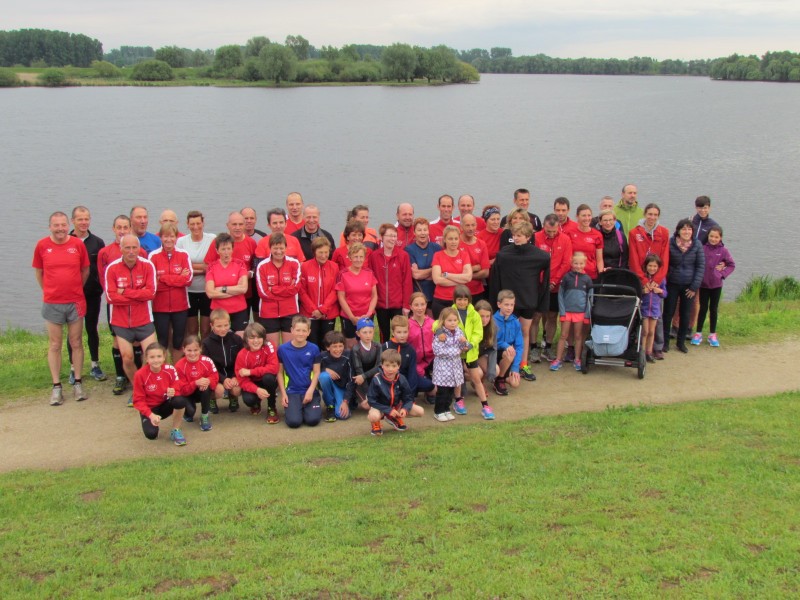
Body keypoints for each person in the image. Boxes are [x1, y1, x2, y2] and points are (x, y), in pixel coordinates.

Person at [33, 211, 90, 405]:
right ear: (50, 226)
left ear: (68, 225)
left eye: (63, 225)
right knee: (55, 344)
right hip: (52, 302)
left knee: (76, 342)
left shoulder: (77, 245)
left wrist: (75, 289)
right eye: (56, 225)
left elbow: (85, 270)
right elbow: (39, 272)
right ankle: (57, 386)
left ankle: (78, 383)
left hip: (75, 301)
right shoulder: (42, 246)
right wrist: (50, 291)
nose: (60, 229)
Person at [489, 221, 551, 382]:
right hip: (509, 303)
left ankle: (523, 364)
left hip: (528, 301)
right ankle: (503, 365)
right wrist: (496, 300)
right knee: (503, 334)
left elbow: (545, 281)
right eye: (514, 235)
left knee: (524, 333)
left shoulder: (541, 256)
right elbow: (495, 279)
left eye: (519, 236)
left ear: (529, 237)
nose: (515, 238)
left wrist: (542, 301)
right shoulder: (504, 255)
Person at [104, 234, 157, 407]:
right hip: (121, 321)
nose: (131, 251)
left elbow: (150, 293)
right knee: (127, 357)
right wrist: (137, 294)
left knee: (150, 357)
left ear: (139, 249)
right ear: (121, 249)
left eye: (135, 248)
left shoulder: (148, 265)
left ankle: (148, 387)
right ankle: (137, 389)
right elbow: (111, 297)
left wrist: (125, 292)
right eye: (127, 248)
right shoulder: (112, 268)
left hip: (143, 319)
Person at [97, 215, 148, 394]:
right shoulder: (105, 252)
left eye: (125, 227)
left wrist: (125, 293)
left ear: (130, 228)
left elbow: (146, 289)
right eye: (119, 227)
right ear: (113, 229)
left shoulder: (141, 254)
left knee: (137, 344)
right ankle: (121, 376)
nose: (122, 230)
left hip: (138, 309)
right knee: (118, 342)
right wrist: (119, 296)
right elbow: (106, 285)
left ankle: (139, 381)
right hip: (116, 308)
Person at [68, 205, 106, 383]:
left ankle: (95, 364)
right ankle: (73, 367)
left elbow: (102, 268)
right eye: (80, 219)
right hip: (71, 295)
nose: (83, 222)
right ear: (72, 221)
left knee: (91, 329)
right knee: (73, 333)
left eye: (86, 219)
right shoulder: (66, 241)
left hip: (92, 294)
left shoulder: (97, 243)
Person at [628, 203, 670, 359]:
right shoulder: (634, 233)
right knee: (640, 314)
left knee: (656, 315)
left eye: (655, 215)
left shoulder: (663, 232)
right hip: (641, 277)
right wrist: (644, 279)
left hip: (657, 278)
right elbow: (633, 258)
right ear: (644, 214)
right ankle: (636, 346)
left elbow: (665, 258)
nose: (652, 217)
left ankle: (656, 348)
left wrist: (657, 280)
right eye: (650, 214)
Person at [446, 286, 493, 419]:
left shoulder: (474, 314)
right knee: (457, 378)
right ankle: (458, 401)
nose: (462, 302)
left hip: (471, 352)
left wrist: (470, 344)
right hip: (456, 352)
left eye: (465, 299)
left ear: (469, 300)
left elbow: (478, 333)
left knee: (476, 379)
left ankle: (485, 406)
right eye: (459, 299)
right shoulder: (450, 312)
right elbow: (439, 325)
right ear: (455, 300)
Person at [149, 223, 192, 363]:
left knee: (179, 340)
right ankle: (162, 368)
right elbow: (153, 284)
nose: (168, 240)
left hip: (180, 306)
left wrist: (163, 278)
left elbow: (188, 279)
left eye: (171, 236)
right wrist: (177, 277)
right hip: (160, 306)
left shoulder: (183, 254)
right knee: (162, 339)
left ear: (176, 238)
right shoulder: (153, 256)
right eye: (165, 236)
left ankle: (177, 370)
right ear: (160, 237)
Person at [532, 214, 573, 363]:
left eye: (554, 231)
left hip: (555, 285)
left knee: (551, 316)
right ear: (543, 226)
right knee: (535, 316)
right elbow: (534, 261)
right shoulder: (536, 237)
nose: (551, 234)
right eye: (548, 231)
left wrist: (554, 281)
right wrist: (542, 281)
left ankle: (548, 346)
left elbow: (566, 263)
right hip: (538, 284)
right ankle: (533, 347)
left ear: (558, 227)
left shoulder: (565, 239)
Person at [133, 343, 190, 446]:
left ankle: (176, 430)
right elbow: (138, 400)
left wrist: (173, 391)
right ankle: (152, 421)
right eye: (152, 357)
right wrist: (150, 415)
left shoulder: (170, 369)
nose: (156, 360)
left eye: (159, 356)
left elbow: (177, 387)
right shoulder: (140, 374)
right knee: (151, 435)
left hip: (165, 404)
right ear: (146, 358)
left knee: (180, 401)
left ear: (164, 357)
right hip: (150, 409)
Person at [205, 212, 258, 321]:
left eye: (240, 224)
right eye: (234, 224)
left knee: (241, 332)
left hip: (245, 295)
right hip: (220, 298)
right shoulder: (218, 242)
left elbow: (256, 265)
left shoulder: (251, 243)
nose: (237, 228)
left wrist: (249, 274)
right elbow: (209, 265)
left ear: (244, 225)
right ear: (227, 225)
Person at [663, 219, 705, 354]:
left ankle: (681, 343)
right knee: (668, 313)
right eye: (684, 229)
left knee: (685, 313)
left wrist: (694, 287)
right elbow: (665, 262)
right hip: (672, 283)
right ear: (678, 230)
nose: (686, 232)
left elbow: (700, 266)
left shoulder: (697, 245)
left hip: (689, 285)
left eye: (689, 229)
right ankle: (665, 342)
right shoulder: (670, 243)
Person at [255, 232, 301, 348]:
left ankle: (287, 367)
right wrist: (286, 290)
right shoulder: (262, 266)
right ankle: (275, 367)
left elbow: (295, 289)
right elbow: (263, 293)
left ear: (286, 248)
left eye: (281, 248)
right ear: (270, 248)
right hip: (269, 313)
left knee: (289, 348)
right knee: (272, 349)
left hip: (290, 311)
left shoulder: (294, 263)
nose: (279, 251)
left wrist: (273, 289)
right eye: (275, 248)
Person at [368, 223, 413, 342]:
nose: (392, 239)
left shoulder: (403, 256)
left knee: (398, 335)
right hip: (380, 304)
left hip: (397, 304)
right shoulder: (374, 256)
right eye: (389, 236)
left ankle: (397, 357)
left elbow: (407, 281)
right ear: (382, 237)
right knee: (384, 334)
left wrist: (406, 305)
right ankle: (384, 357)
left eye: (394, 236)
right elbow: (371, 280)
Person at [549, 253, 593, 372]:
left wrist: (587, 315)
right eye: (575, 263)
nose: (578, 266)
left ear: (585, 264)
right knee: (563, 335)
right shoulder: (567, 277)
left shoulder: (588, 279)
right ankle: (558, 359)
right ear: (571, 263)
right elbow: (560, 295)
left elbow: (590, 298)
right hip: (567, 312)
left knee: (578, 336)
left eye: (581, 263)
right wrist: (562, 312)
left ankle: (577, 359)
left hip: (580, 313)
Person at [277, 316, 323, 428]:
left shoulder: (314, 349)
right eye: (298, 330)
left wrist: (311, 391)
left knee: (313, 421)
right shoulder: (282, 349)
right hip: (292, 391)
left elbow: (317, 372)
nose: (300, 333)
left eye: (304, 331)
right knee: (294, 422)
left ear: (309, 332)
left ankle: (311, 405)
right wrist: (283, 394)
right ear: (292, 330)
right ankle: (296, 408)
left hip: (309, 391)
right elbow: (279, 373)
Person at [176, 210, 215, 339]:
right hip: (188, 291)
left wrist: (191, 268)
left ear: (203, 223)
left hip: (206, 290)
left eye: (198, 223)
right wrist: (203, 268)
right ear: (187, 224)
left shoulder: (212, 239)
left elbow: (213, 266)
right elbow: (181, 266)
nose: (195, 227)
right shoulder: (181, 242)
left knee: (205, 329)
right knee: (191, 329)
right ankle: (192, 354)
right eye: (192, 224)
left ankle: (204, 355)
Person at [367, 348, 424, 436]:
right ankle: (376, 423)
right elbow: (371, 401)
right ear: (382, 365)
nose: (390, 369)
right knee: (374, 416)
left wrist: (405, 409)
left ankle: (394, 418)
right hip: (380, 408)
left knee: (420, 411)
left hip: (395, 407)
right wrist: (388, 410)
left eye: (394, 366)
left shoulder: (402, 379)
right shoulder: (376, 380)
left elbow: (409, 398)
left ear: (398, 366)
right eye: (387, 365)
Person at [694, 226, 735, 348]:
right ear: (708, 236)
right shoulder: (702, 248)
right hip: (704, 284)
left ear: (720, 238)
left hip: (716, 285)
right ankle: (698, 333)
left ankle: (712, 334)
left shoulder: (724, 251)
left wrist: (722, 274)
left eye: (716, 237)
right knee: (702, 308)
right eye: (711, 236)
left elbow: (731, 265)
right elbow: (696, 263)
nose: (713, 239)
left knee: (714, 309)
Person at [205, 233, 250, 335]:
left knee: (240, 341)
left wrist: (222, 288)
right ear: (217, 251)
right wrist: (235, 290)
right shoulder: (212, 267)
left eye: (229, 249)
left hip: (239, 310)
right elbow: (210, 293)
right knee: (220, 342)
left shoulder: (240, 264)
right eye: (223, 249)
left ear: (232, 249)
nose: (226, 252)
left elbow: (243, 289)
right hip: (219, 311)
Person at [298, 237, 340, 348]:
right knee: (312, 344)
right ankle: (313, 365)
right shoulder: (305, 266)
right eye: (320, 252)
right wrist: (313, 310)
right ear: (314, 252)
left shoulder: (334, 267)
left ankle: (325, 365)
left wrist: (323, 310)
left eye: (326, 252)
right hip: (310, 313)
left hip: (328, 313)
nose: (323, 255)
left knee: (327, 344)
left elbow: (335, 290)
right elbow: (302, 291)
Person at [235, 322, 280, 421]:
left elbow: (274, 368)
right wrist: (256, 390)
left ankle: (271, 407)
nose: (256, 341)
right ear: (246, 339)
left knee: (268, 377)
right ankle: (256, 402)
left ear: (264, 338)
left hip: (267, 380)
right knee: (249, 400)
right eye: (252, 338)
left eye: (259, 337)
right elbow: (242, 380)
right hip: (252, 382)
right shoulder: (242, 355)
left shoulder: (269, 346)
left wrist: (251, 372)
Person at [202, 309, 244, 413]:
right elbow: (208, 367)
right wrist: (223, 379)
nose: (223, 329)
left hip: (233, 374)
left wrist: (235, 376)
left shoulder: (237, 339)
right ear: (211, 325)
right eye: (219, 326)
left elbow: (241, 361)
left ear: (229, 323)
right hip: (216, 375)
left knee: (237, 389)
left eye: (226, 325)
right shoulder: (206, 343)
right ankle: (212, 399)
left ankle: (233, 397)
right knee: (219, 390)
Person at [336, 243, 378, 348]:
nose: (358, 259)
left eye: (361, 257)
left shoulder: (369, 273)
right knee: (351, 346)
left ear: (364, 258)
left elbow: (374, 296)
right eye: (355, 257)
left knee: (366, 344)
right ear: (350, 257)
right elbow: (341, 297)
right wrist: (351, 317)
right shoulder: (343, 274)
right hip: (350, 316)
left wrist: (368, 313)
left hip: (367, 315)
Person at [431, 306, 469, 422]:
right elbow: (438, 350)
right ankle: (438, 411)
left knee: (450, 391)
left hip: (455, 368)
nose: (453, 323)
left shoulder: (459, 332)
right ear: (443, 321)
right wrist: (457, 351)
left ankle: (446, 409)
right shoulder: (440, 334)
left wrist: (464, 343)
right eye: (449, 320)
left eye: (454, 320)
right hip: (443, 368)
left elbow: (463, 348)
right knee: (442, 391)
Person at [174, 335, 217, 432]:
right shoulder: (179, 365)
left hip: (200, 391)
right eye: (189, 350)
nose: (192, 353)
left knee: (206, 387)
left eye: (195, 350)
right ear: (183, 350)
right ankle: (187, 412)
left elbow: (215, 377)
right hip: (186, 394)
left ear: (200, 349)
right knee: (190, 413)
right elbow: (182, 390)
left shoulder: (207, 361)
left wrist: (208, 380)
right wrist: (196, 383)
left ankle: (204, 416)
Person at [381, 314, 429, 398]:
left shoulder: (411, 350)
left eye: (405, 332)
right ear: (393, 332)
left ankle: (409, 393)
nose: (402, 335)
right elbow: (379, 367)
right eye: (399, 332)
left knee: (429, 385)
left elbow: (412, 373)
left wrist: (410, 395)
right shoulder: (385, 346)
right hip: (388, 377)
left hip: (404, 378)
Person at [431, 225, 472, 318]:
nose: (453, 242)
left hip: (460, 301)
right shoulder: (438, 255)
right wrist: (460, 280)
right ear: (445, 239)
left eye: (456, 238)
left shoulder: (464, 255)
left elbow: (468, 277)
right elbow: (437, 280)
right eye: (450, 239)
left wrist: (446, 275)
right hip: (441, 301)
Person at [404, 217, 442, 304]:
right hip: (418, 296)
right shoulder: (409, 250)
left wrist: (423, 273)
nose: (422, 233)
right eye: (419, 230)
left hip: (436, 295)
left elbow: (443, 271)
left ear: (429, 231)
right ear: (414, 232)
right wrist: (434, 270)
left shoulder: (436, 248)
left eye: (425, 230)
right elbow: (416, 275)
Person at [492, 290, 523, 396]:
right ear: (499, 304)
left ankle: (502, 376)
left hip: (508, 357)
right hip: (494, 354)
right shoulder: (492, 320)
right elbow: (493, 341)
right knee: (510, 352)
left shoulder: (515, 322)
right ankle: (499, 380)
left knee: (515, 384)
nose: (509, 308)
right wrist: (506, 346)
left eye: (512, 305)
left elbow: (519, 346)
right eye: (506, 304)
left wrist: (515, 368)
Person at [318, 331, 353, 421]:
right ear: (328, 347)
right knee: (323, 376)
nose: (338, 349)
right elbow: (313, 370)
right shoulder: (322, 357)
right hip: (329, 386)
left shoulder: (348, 356)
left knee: (342, 415)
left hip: (342, 388)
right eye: (334, 346)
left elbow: (351, 380)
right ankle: (330, 406)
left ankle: (343, 402)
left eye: (340, 346)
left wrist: (345, 401)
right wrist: (325, 370)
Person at [407, 292, 436, 401]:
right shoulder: (407, 325)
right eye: (416, 305)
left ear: (426, 305)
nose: (420, 308)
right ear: (410, 307)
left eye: (422, 304)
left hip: (431, 360)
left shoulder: (433, 323)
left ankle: (430, 392)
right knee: (415, 385)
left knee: (437, 389)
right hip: (414, 362)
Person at [349, 318, 381, 411]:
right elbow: (359, 370)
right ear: (358, 334)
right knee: (367, 405)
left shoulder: (378, 346)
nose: (368, 335)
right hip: (360, 381)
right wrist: (367, 394)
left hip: (371, 376)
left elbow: (379, 366)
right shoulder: (356, 349)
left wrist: (364, 376)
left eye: (370, 332)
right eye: (364, 332)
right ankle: (356, 398)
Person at [459, 214, 491, 303]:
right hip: (459, 292)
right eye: (467, 225)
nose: (470, 228)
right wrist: (475, 268)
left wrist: (465, 275)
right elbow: (454, 270)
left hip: (477, 292)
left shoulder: (481, 244)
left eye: (473, 225)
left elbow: (485, 272)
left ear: (476, 226)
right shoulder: (455, 243)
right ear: (461, 227)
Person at [568, 204, 604, 280]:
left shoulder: (597, 235)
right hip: (573, 275)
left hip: (591, 276)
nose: (587, 218)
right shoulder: (569, 233)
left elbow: (599, 260)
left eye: (589, 215)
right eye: (584, 216)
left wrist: (601, 275)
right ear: (577, 217)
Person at [641, 256, 667, 362]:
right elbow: (637, 292)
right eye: (650, 266)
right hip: (644, 309)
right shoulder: (642, 278)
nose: (652, 268)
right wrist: (643, 291)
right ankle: (641, 352)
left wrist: (659, 291)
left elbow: (665, 294)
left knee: (652, 331)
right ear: (646, 266)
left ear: (658, 267)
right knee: (645, 331)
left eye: (655, 266)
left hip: (655, 309)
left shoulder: (661, 279)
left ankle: (649, 352)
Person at [474, 299, 498, 401]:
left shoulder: (493, 327)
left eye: (487, 316)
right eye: (481, 316)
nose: (485, 320)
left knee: (495, 370)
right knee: (478, 373)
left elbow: (493, 349)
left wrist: (491, 371)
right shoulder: (470, 327)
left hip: (481, 355)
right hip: (468, 358)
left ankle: (480, 383)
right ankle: (474, 383)